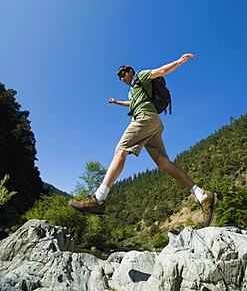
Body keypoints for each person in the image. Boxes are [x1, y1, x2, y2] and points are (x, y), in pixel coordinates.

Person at [69, 53, 216, 226]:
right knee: (162, 162)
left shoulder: (141, 75)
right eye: (119, 77)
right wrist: (117, 102)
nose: (122, 78)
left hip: (144, 118)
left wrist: (178, 61)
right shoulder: (132, 90)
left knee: (120, 150)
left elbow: (161, 71)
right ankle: (202, 194)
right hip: (152, 122)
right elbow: (132, 103)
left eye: (123, 74)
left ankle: (98, 199)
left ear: (130, 71)